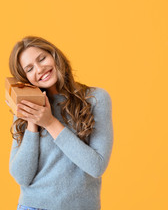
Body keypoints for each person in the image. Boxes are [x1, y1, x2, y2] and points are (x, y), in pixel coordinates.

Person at [8, 36, 114, 210]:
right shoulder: (27, 109)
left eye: (42, 58)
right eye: (29, 69)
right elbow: (21, 176)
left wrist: (50, 122)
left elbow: (96, 166)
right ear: (25, 78)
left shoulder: (96, 99)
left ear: (55, 56)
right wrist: (33, 122)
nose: (40, 69)